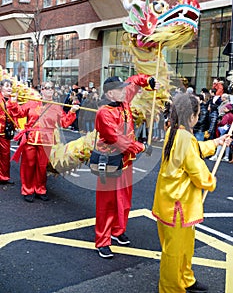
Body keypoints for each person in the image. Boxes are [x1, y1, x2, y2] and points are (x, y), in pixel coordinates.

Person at [152, 93, 232, 293]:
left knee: (185, 247)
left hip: (173, 202)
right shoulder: (185, 137)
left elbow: (194, 150)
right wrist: (210, 181)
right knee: (174, 252)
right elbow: (197, 170)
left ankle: (185, 278)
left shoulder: (174, 132)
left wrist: (217, 142)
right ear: (192, 116)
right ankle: (171, 288)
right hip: (177, 206)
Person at [94, 74, 159, 259]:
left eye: (124, 89)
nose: (125, 91)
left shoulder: (123, 101)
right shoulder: (103, 113)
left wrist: (148, 81)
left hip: (126, 161)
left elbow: (135, 81)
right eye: (120, 89)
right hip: (109, 161)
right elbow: (117, 140)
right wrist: (142, 147)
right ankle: (103, 240)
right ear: (110, 93)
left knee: (123, 200)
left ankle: (117, 230)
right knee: (106, 203)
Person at [12, 81, 80, 202]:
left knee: (42, 166)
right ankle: (28, 189)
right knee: (29, 165)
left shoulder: (56, 107)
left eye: (51, 88)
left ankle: (40, 189)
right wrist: (13, 101)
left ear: (53, 91)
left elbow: (64, 122)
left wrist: (72, 111)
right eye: (46, 88)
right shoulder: (31, 103)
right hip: (31, 139)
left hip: (47, 140)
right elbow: (19, 113)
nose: (49, 90)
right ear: (41, 90)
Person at [0, 79, 21, 185]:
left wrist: (16, 126)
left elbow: (15, 114)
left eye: (10, 86)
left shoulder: (10, 100)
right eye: (7, 86)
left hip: (5, 133)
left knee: (5, 155)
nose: (9, 88)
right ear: (1, 87)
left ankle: (3, 177)